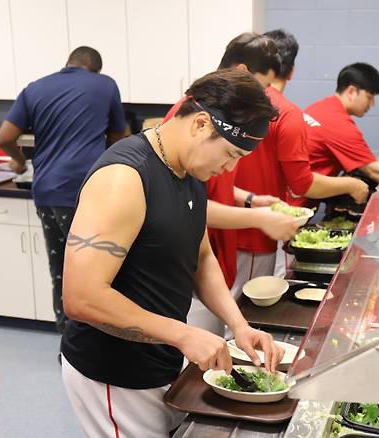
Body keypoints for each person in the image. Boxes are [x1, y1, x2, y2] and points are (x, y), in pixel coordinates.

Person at [60, 68, 285, 438]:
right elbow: (81, 297)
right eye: (231, 153)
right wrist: (183, 335)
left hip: (158, 359)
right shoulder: (125, 178)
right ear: (199, 125)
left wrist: (239, 326)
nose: (231, 167)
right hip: (113, 374)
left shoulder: (190, 173)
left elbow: (202, 259)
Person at [163, 32, 300, 335]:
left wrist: (250, 199)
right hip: (190, 273)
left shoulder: (220, 128)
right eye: (262, 87)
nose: (265, 96)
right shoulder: (194, 117)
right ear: (242, 73)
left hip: (212, 263)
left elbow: (208, 188)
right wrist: (260, 219)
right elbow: (186, 206)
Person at [0, 46, 128, 333]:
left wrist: (19, 161)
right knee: (96, 273)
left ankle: (67, 342)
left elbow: (4, 136)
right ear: (95, 69)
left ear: (68, 63)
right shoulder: (105, 86)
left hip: (46, 192)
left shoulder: (35, 88)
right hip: (86, 193)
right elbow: (121, 140)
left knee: (61, 271)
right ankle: (91, 344)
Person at [233, 29, 370, 289]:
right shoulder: (284, 111)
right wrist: (351, 185)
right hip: (255, 233)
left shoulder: (231, 100)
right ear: (291, 71)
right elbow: (302, 184)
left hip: (227, 220)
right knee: (245, 307)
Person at [304, 63, 379, 183]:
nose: (372, 104)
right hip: (295, 200)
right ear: (351, 92)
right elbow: (374, 171)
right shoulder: (339, 124)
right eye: (369, 97)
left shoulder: (319, 107)